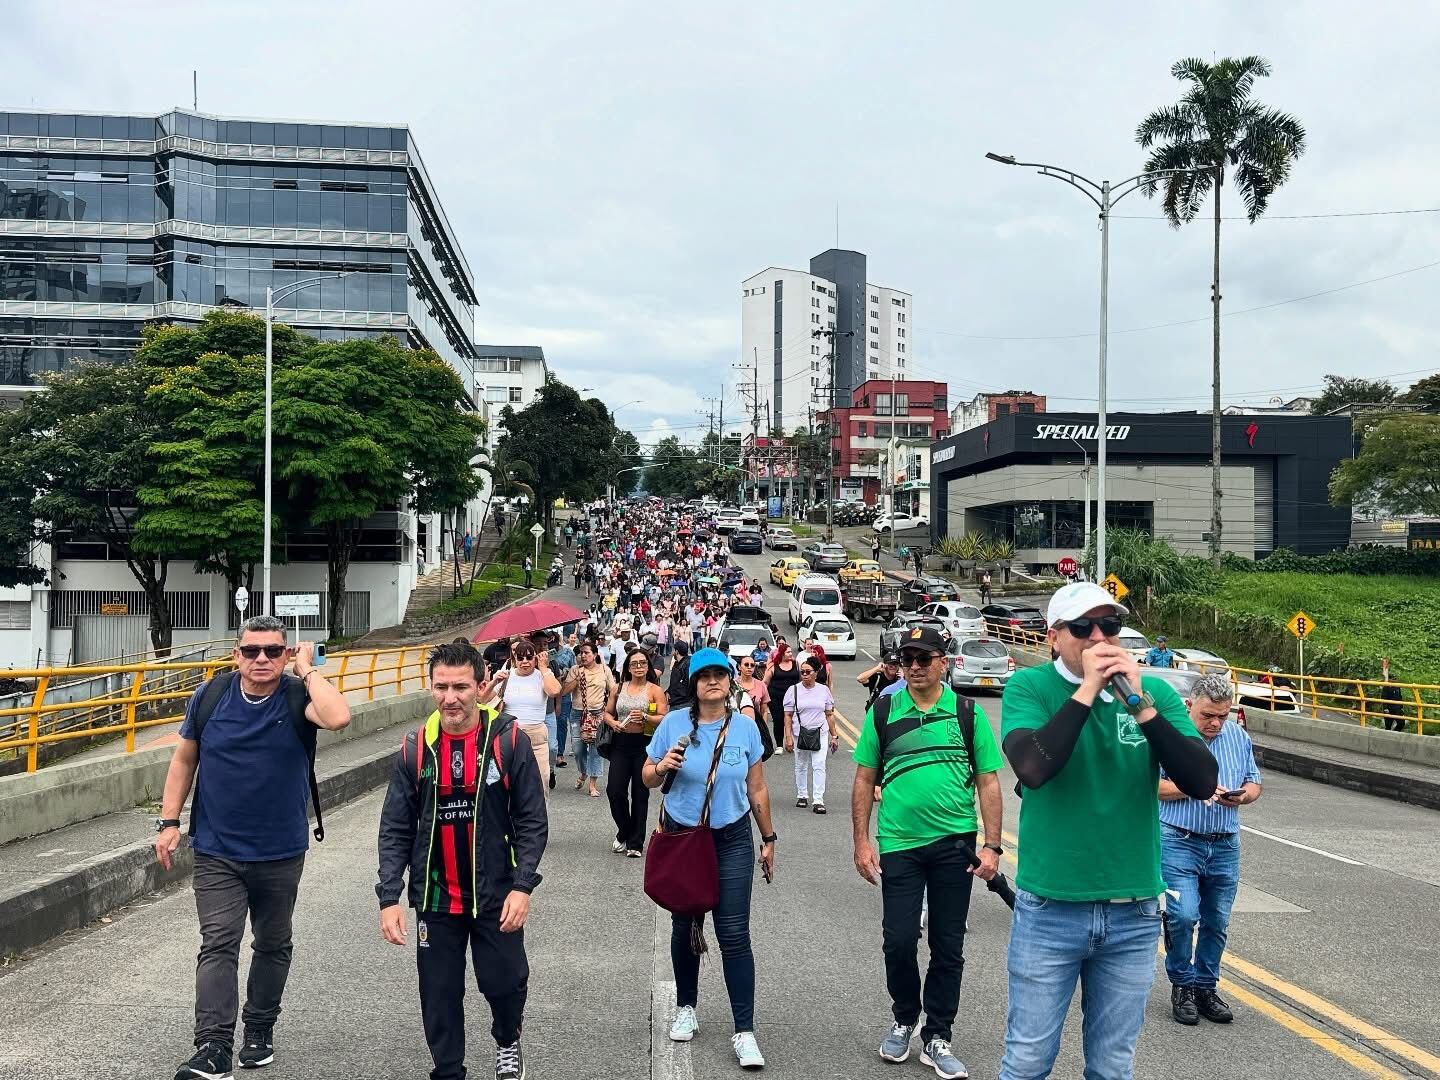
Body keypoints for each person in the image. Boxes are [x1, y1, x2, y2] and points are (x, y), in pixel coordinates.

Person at [996, 582, 1218, 1080]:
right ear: (1055, 637)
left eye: (1110, 626)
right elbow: (1032, 767)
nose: (1100, 637)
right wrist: (1089, 689)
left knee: (1113, 1065)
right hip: (1051, 907)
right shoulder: (1029, 688)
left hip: (1133, 911)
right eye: (1083, 628)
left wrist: (1139, 704)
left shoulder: (1153, 694)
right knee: (1028, 1058)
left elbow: (1201, 781)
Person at [156, 617, 352, 1080]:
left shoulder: (297, 696)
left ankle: (260, 1030)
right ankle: (214, 1046)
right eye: (251, 651)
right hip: (217, 850)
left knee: (272, 942)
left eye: (272, 651)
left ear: (286, 654)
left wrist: (308, 670)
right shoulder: (211, 697)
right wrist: (168, 822)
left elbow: (339, 717)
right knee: (218, 944)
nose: (261, 659)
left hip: (281, 850)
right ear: (235, 654)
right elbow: (185, 759)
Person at [377, 641, 547, 1080]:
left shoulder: (509, 741)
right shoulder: (416, 748)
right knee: (438, 994)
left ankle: (508, 1039)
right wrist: (389, 896)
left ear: (482, 686)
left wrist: (522, 886)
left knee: (504, 984)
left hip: (495, 893)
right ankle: (448, 1070)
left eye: (461, 687)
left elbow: (532, 820)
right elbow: (395, 827)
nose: (451, 698)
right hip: (435, 897)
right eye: (441, 687)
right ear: (431, 688)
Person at [850, 624, 1002, 1080]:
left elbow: (989, 782)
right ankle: (904, 1017)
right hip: (899, 844)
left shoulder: (968, 713)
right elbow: (862, 779)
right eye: (907, 659)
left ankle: (938, 1034)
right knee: (898, 940)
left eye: (924, 658)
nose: (913, 666)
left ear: (944, 662)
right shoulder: (883, 710)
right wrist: (861, 840)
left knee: (947, 945)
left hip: (955, 843)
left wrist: (992, 846)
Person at [644, 648, 777, 1070]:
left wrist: (769, 837)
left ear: (730, 681)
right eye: (705, 677)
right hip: (685, 836)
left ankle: (745, 1031)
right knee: (684, 923)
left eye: (720, 675)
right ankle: (687, 1006)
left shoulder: (744, 728)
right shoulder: (672, 724)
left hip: (732, 839)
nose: (713, 682)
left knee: (734, 933)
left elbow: (756, 788)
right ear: (694, 685)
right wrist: (661, 765)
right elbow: (647, 777)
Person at [1159, 672, 1262, 1027]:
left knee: (1216, 921)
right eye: (1208, 715)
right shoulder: (1170, 737)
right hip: (1178, 838)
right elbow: (1151, 786)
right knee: (1183, 915)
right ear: (1190, 706)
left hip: (1224, 841)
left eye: (1223, 715)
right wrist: (1195, 787)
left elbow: (1253, 782)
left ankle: (1206, 986)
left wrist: (1243, 796)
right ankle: (1182, 985)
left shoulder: (1238, 736)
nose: (1216, 723)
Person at [605, 648, 668, 857]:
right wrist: (613, 723)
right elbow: (606, 712)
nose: (639, 667)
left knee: (640, 794)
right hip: (621, 744)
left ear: (648, 666)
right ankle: (624, 830)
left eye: (642, 663)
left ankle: (635, 842)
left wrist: (646, 717)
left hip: (645, 744)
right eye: (634, 664)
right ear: (628, 667)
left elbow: (663, 717)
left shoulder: (654, 690)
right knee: (614, 790)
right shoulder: (618, 687)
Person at [497, 640, 561, 791]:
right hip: (510, 735)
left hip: (536, 737)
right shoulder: (506, 675)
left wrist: (544, 667)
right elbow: (484, 699)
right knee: (511, 785)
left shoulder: (542, 675)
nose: (525, 661)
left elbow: (554, 691)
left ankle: (538, 814)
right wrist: (494, 682)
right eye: (520, 658)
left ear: (535, 658)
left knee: (540, 784)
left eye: (529, 657)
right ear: (514, 659)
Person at [783, 658, 837, 812]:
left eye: (808, 672)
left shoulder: (824, 690)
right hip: (799, 733)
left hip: (820, 732)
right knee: (801, 764)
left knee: (819, 765)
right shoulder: (793, 690)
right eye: (802, 672)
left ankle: (818, 800)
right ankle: (802, 795)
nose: (805, 675)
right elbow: (787, 715)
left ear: (816, 673)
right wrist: (788, 737)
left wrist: (834, 736)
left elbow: (829, 714)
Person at [562, 640, 613, 797]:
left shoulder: (604, 670)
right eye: (581, 653)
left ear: (595, 655)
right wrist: (576, 679)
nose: (583, 655)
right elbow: (564, 691)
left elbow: (612, 690)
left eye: (586, 653)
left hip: (597, 713)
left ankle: (592, 783)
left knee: (595, 750)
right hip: (578, 714)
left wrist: (609, 711)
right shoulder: (575, 670)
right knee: (578, 749)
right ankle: (583, 772)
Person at [763, 640, 800, 756]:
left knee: (794, 720)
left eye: (791, 652)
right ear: (782, 654)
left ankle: (792, 742)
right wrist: (763, 698)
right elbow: (765, 683)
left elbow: (800, 679)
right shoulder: (773, 667)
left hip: (793, 698)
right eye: (788, 652)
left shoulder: (796, 664)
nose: (790, 654)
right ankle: (779, 745)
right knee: (779, 720)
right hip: (776, 698)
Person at [1380, 658, 1406, 732]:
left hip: (1397, 708)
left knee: (1401, 723)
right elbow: (1383, 697)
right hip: (1389, 708)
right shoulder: (1386, 686)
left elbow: (1400, 697)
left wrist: (1401, 708)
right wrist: (1385, 708)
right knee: (1388, 727)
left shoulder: (1397, 687)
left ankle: (1395, 733)